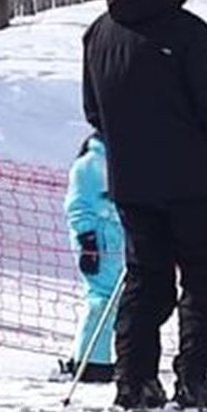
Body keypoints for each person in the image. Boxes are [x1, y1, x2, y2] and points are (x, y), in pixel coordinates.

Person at [82, 0, 207, 412]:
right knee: (205, 279)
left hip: (132, 182)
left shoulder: (99, 33)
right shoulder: (187, 31)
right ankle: (198, 378)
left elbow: (94, 111)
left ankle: (134, 380)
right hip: (194, 180)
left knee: (144, 278)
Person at [61, 133, 125, 383]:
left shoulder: (116, 158)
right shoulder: (90, 163)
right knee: (101, 298)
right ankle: (92, 363)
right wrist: (88, 240)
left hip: (115, 239)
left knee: (113, 299)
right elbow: (78, 205)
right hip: (99, 240)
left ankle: (91, 357)